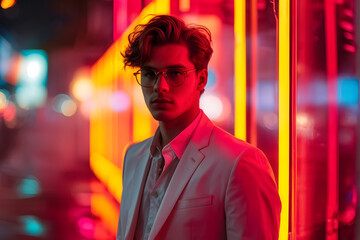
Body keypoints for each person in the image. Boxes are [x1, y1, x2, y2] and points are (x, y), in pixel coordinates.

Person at [117, 15, 281, 240]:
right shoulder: (133, 156)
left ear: (201, 79)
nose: (160, 86)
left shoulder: (240, 163)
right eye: (149, 74)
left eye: (175, 73)